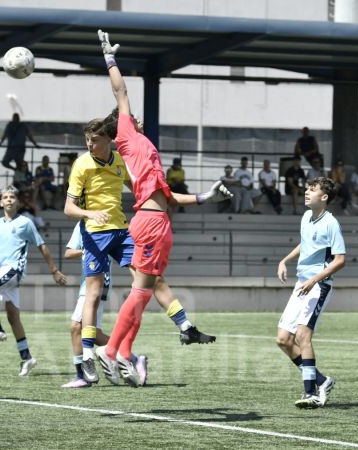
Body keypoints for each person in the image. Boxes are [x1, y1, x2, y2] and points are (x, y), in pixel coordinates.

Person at [91, 30, 230, 386]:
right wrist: (110, 58)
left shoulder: (143, 145)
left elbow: (170, 197)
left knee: (146, 290)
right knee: (141, 292)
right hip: (150, 223)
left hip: (155, 220)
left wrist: (205, 198)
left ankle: (124, 353)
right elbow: (120, 92)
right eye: (129, 116)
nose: (134, 116)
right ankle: (110, 353)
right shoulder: (126, 135)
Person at [64, 114, 225, 385]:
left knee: (150, 281)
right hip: (94, 234)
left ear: (109, 141)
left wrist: (195, 199)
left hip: (122, 231)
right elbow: (68, 209)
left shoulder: (121, 162)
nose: (90, 145)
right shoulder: (81, 165)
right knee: (94, 292)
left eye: (95, 140)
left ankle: (181, 328)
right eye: (87, 140)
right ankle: (90, 354)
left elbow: (149, 192)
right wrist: (90, 213)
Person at [0, 186, 67, 376]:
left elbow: (42, 245)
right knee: (14, 318)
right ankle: (27, 358)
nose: (9, 199)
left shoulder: (25, 223)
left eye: (13, 196)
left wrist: (54, 270)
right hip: (4, 272)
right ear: (1, 202)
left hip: (14, 269)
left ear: (17, 202)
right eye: (6, 197)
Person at [276, 176, 345, 409]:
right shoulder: (306, 216)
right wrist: (284, 259)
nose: (306, 192)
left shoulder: (331, 223)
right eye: (306, 188)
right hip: (302, 283)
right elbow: (305, 243)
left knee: (303, 335)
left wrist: (316, 279)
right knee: (283, 340)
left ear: (324, 198)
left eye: (312, 190)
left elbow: (340, 260)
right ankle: (322, 381)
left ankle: (311, 393)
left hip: (319, 285)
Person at [61, 221, 112, 388]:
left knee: (76, 326)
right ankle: (132, 358)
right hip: (87, 283)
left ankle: (81, 376)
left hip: (99, 282)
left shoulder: (109, 221)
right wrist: (85, 250)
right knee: (94, 333)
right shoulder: (81, 223)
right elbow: (68, 253)